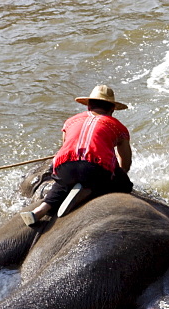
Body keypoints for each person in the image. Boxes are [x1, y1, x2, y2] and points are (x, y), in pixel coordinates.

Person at [20, 85, 133, 227]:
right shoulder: (118, 127)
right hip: (94, 168)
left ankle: (40, 210)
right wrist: (121, 175)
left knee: (61, 185)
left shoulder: (71, 121)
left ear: (89, 106)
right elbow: (126, 161)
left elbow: (66, 146)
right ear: (112, 109)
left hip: (65, 165)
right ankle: (87, 190)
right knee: (125, 186)